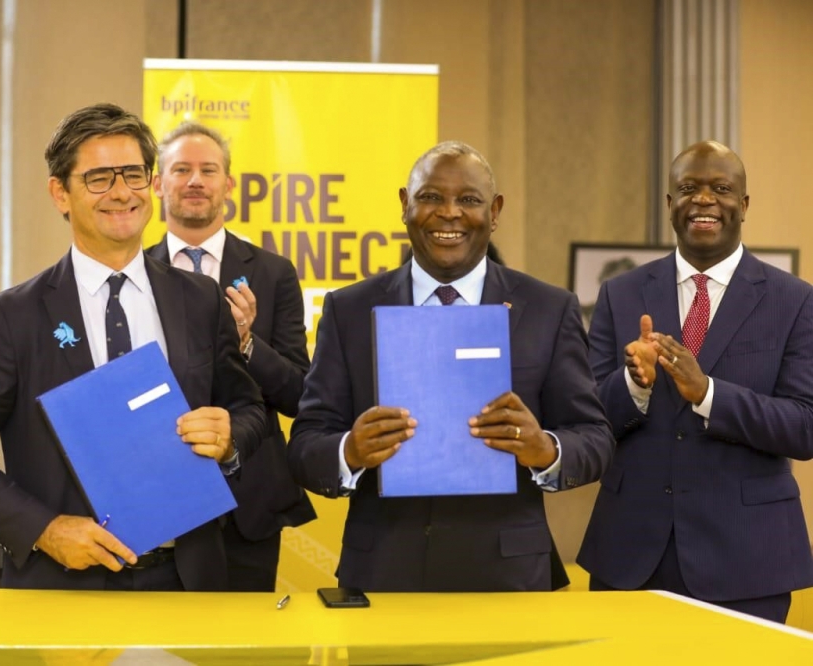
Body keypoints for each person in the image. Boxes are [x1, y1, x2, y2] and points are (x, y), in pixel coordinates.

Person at [0, 103, 265, 591]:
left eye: (133, 174)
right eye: (100, 178)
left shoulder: (199, 298)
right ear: (60, 193)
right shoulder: (15, 314)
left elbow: (247, 407)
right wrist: (43, 530)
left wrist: (231, 436)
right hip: (64, 584)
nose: (122, 192)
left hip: (187, 580)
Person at [287, 141, 613, 592]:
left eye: (469, 200)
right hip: (382, 573)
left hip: (510, 578)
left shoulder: (548, 308)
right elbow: (305, 443)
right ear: (405, 205)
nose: (449, 213)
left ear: (494, 212)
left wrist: (545, 450)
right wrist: (350, 451)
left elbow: (595, 437)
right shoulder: (348, 310)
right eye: (431, 197)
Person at [577, 141, 813, 623]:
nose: (704, 199)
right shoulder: (620, 294)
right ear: (670, 205)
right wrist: (635, 385)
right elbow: (587, 420)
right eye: (688, 188)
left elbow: (804, 426)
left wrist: (708, 393)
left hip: (748, 559)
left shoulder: (795, 300)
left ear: (744, 205)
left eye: (722, 189)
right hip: (631, 556)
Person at [147, 122, 316, 592]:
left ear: (229, 184)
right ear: (159, 183)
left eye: (208, 169)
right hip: (162, 491)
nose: (195, 180)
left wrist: (247, 344)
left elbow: (300, 395)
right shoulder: (136, 274)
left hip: (252, 502)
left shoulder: (273, 272)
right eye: (181, 169)